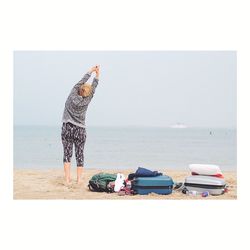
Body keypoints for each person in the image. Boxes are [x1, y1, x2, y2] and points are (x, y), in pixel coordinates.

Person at [61, 65, 100, 185]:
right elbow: (93, 88)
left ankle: (67, 179)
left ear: (78, 89)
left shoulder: (72, 95)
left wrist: (91, 71)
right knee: (80, 153)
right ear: (87, 94)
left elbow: (81, 81)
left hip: (67, 127)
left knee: (67, 153)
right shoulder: (87, 100)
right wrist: (97, 75)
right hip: (80, 130)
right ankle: (78, 180)